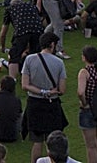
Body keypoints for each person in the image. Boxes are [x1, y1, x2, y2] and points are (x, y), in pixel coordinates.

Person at [21, 33, 69, 162]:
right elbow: (62, 90)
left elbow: (25, 85)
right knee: (53, 141)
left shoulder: (29, 59)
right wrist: (50, 92)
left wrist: (42, 91)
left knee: (37, 141)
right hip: (52, 105)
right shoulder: (59, 62)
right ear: (52, 44)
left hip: (34, 103)